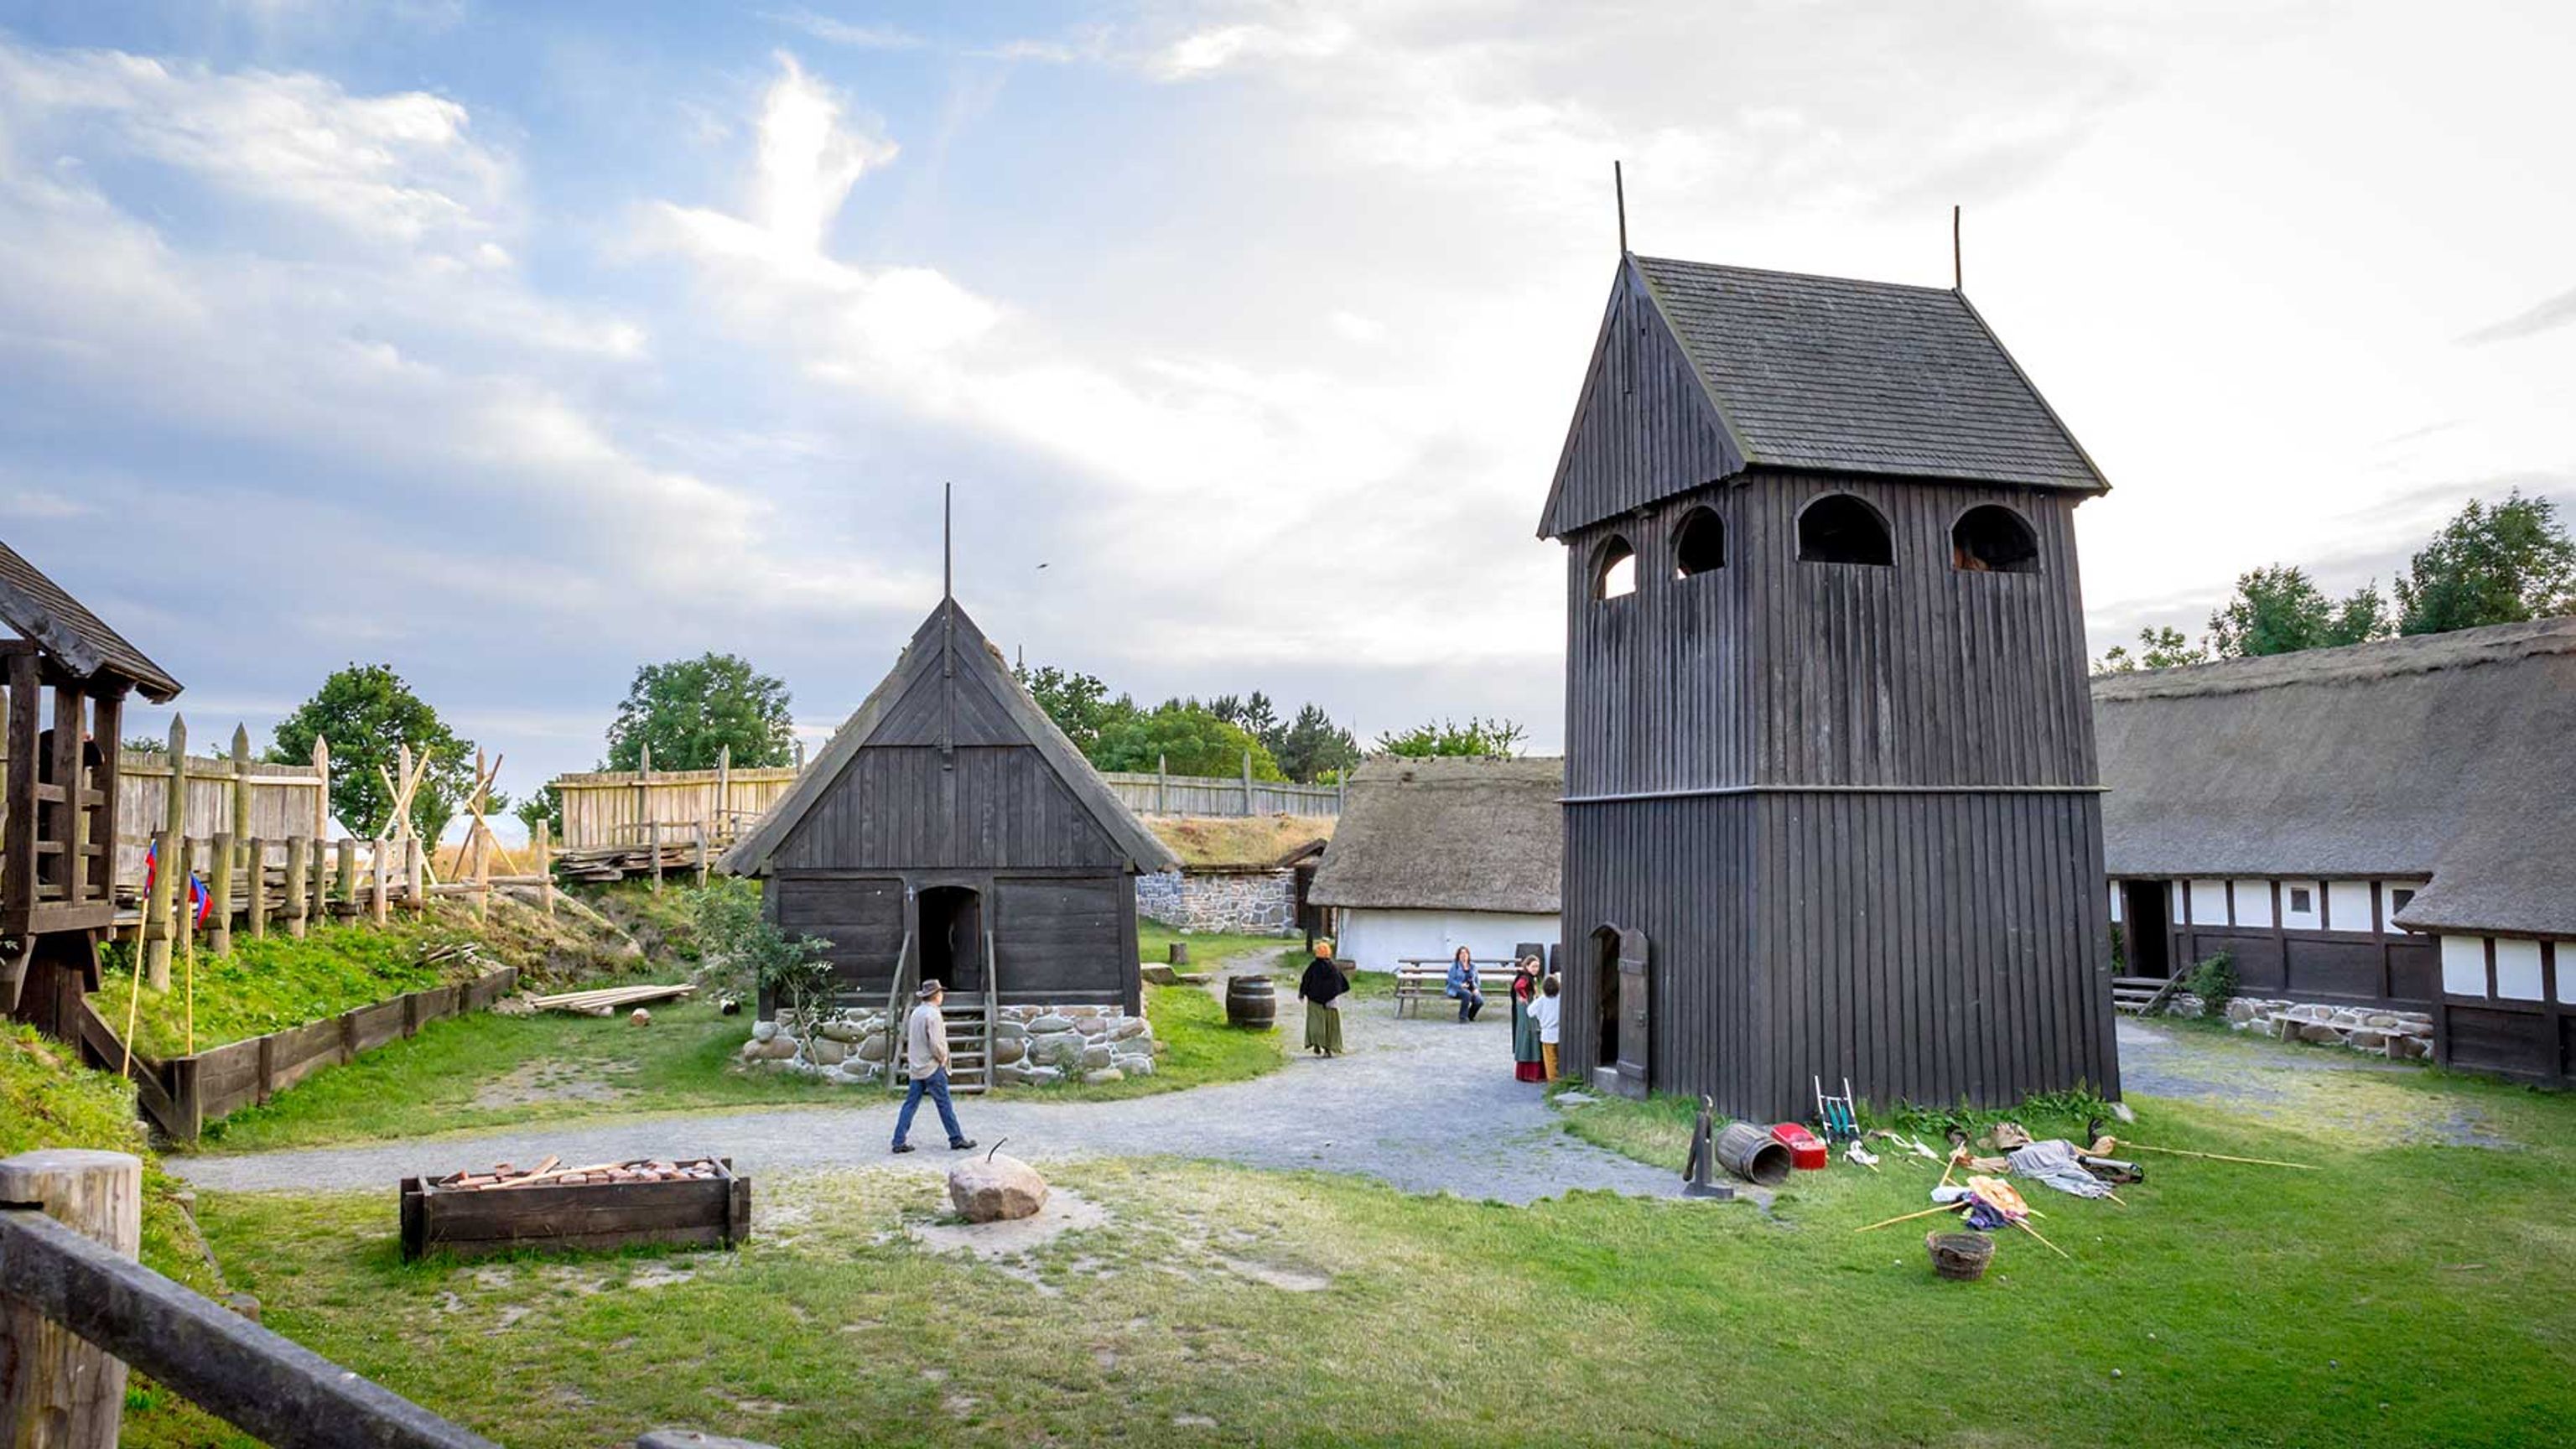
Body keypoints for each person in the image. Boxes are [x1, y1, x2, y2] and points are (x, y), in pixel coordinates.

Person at [891, 980, 975, 1154]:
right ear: (936, 995)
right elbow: (936, 1043)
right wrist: (943, 1058)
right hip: (931, 1066)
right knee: (944, 1104)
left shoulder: (916, 1013)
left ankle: (898, 1140)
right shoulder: (933, 1014)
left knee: (910, 1105)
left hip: (917, 1066)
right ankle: (956, 1138)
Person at [1298, 939, 1348, 1057]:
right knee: (1330, 1026)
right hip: (1330, 1002)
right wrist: (1331, 995)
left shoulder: (1313, 967)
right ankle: (1328, 1049)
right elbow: (1341, 984)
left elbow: (1306, 980)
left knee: (1315, 1024)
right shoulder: (1333, 968)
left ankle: (1316, 1043)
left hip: (1315, 1002)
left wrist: (1302, 993)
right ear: (1328, 953)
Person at [1509, 956, 1545, 1082]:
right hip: (1526, 1010)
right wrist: (1524, 997)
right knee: (1530, 1033)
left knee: (1531, 1033)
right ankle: (1530, 1071)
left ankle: (1529, 1072)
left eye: (1537, 966)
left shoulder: (1529, 978)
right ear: (1527, 966)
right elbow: (1518, 987)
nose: (1536, 969)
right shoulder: (1524, 977)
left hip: (1528, 1007)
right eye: (1533, 966)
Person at [1531, 974, 1562, 1081]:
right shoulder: (1561, 998)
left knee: (1550, 1060)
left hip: (1547, 1032)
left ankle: (1553, 1080)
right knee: (1560, 1057)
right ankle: (1562, 1077)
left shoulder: (1542, 1000)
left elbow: (1530, 1012)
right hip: (1560, 1031)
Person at [1445, 945, 1485, 1022]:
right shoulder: (1455, 966)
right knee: (1467, 994)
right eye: (1462, 954)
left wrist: (1476, 989)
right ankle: (1462, 1017)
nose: (1464, 956)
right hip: (1457, 989)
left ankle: (1470, 1016)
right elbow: (1450, 980)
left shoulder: (1473, 966)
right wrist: (1460, 985)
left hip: (1471, 987)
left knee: (1479, 1001)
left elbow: (1477, 979)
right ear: (1458, 956)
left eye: (1466, 953)